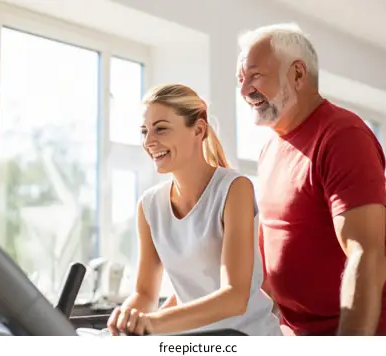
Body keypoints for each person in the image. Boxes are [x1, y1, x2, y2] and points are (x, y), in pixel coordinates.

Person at [236, 23, 386, 336]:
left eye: (255, 75)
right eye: (241, 78)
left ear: (298, 74)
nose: (244, 89)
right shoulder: (270, 148)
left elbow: (366, 256)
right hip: (295, 332)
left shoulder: (342, 136)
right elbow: (274, 245)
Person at [106, 83, 283, 336]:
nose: (149, 141)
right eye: (144, 131)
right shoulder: (149, 206)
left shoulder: (234, 189)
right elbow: (144, 294)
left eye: (161, 129)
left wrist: (155, 323)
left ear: (199, 130)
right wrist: (125, 319)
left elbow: (235, 297)